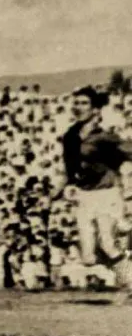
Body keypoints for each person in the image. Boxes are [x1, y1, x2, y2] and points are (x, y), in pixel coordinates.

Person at [60, 86, 132, 300]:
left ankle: (130, 281)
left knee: (108, 245)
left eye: (84, 103)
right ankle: (126, 272)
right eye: (76, 103)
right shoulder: (70, 136)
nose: (78, 107)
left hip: (107, 193)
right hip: (84, 195)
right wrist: (63, 188)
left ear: (95, 109)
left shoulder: (105, 137)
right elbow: (69, 168)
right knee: (89, 257)